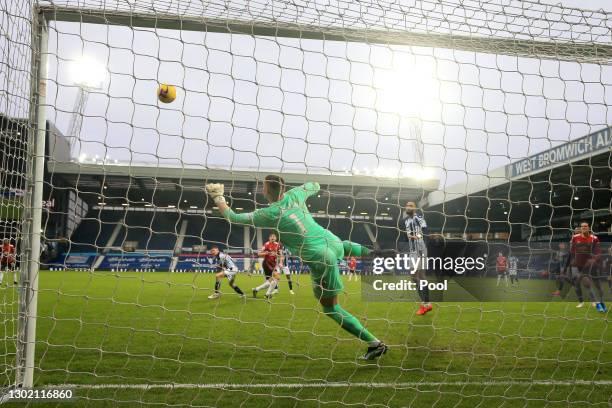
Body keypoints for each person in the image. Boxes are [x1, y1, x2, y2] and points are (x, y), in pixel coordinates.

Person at [206, 176, 387, 360]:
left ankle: (375, 343)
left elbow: (233, 217)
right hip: (330, 240)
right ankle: (375, 253)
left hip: (320, 257)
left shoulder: (268, 214)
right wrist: (311, 187)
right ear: (283, 188)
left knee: (331, 309)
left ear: (265, 191)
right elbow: (315, 184)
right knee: (344, 245)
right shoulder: (295, 194)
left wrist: (218, 197)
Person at [401, 202, 432, 315]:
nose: (407, 207)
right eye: (407, 205)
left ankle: (425, 303)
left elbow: (426, 232)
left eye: (410, 205)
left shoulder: (419, 218)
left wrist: (416, 237)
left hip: (420, 249)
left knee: (416, 276)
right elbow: (408, 236)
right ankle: (427, 303)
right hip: (413, 250)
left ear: (414, 208)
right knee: (417, 277)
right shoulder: (406, 221)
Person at [569, 221, 605, 311]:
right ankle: (581, 302)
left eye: (585, 226)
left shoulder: (594, 238)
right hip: (576, 265)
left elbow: (598, 251)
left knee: (589, 284)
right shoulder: (574, 238)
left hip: (588, 265)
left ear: (589, 228)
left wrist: (594, 259)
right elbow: (572, 251)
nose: (583, 228)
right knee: (576, 284)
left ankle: (596, 302)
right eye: (582, 227)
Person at [253, 232, 282, 299]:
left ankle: (256, 289)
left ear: (276, 238)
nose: (272, 237)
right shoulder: (266, 244)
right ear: (269, 238)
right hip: (267, 264)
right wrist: (265, 253)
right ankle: (267, 294)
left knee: (270, 281)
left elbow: (281, 255)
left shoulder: (278, 245)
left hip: (274, 264)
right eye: (271, 236)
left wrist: (280, 262)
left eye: (274, 236)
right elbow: (259, 254)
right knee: (277, 278)